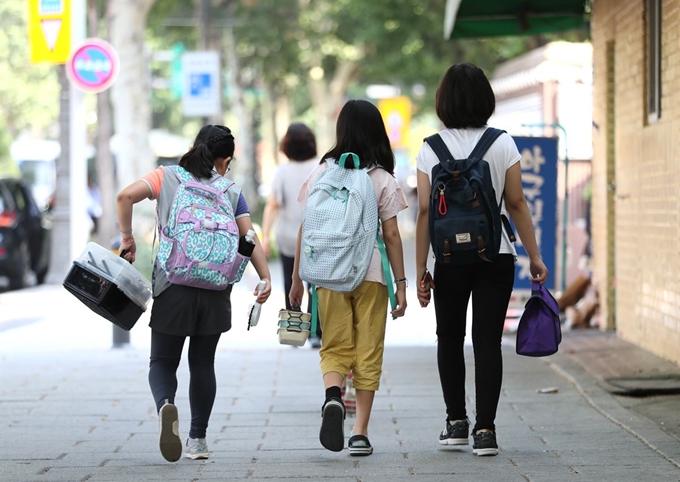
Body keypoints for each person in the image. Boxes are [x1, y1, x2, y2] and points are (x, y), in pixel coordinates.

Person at [415, 63, 549, 457]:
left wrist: (422, 267)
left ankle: (456, 422)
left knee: (449, 337)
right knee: (487, 340)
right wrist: (534, 256)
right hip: (496, 255)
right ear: (485, 99)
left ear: (443, 102)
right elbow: (517, 203)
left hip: (449, 258)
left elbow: (425, 211)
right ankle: (485, 430)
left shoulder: (429, 147)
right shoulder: (502, 143)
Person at [116, 125, 272, 462]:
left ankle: (166, 406)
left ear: (195, 146)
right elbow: (250, 235)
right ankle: (197, 440)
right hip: (216, 287)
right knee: (203, 362)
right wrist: (265, 276)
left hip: (174, 284)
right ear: (225, 159)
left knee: (162, 361)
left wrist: (127, 238)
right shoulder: (232, 191)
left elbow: (124, 197)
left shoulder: (167, 176)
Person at [290, 99, 408, 456]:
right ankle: (359, 432)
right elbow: (391, 236)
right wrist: (400, 285)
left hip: (327, 272)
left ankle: (332, 397)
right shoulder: (383, 179)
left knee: (335, 345)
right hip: (370, 274)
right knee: (368, 348)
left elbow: (306, 227)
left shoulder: (322, 172)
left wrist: (298, 279)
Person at [261, 122, 322, 347]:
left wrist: (265, 236)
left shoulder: (282, 171)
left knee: (290, 283)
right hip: (316, 237)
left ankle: (294, 333)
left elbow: (273, 204)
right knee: (315, 285)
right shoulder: (321, 167)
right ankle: (316, 332)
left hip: (288, 238)